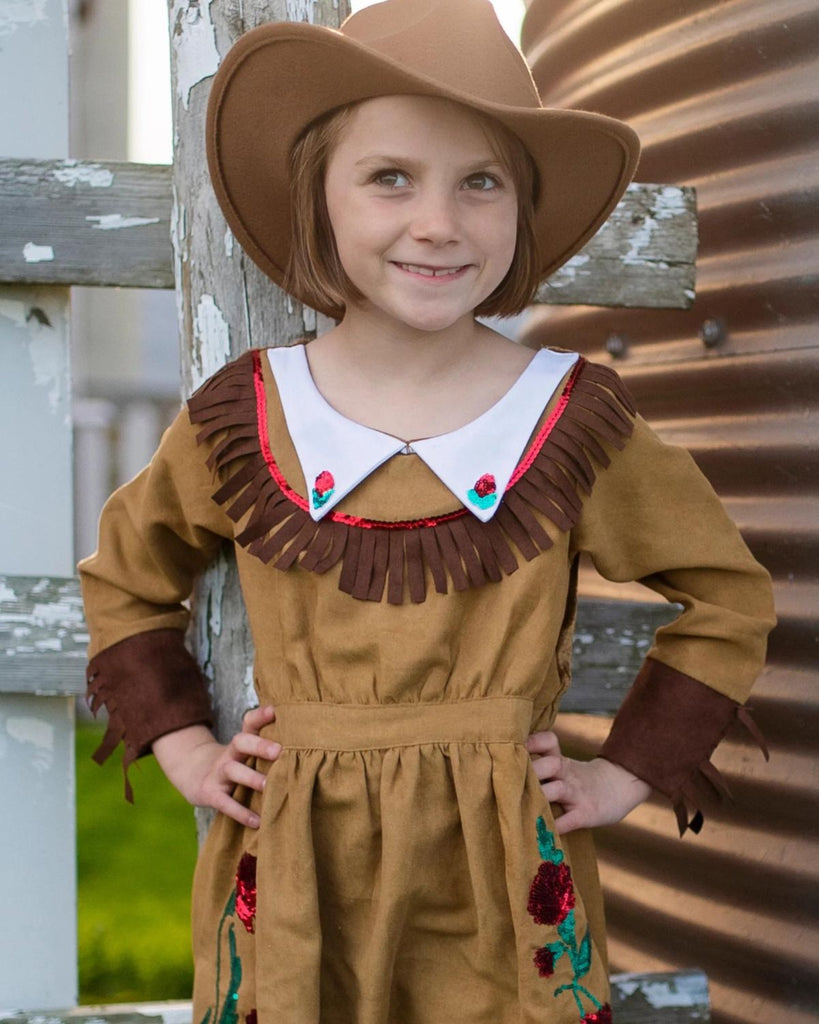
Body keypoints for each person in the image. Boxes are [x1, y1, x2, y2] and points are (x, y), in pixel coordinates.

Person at [79, 1, 776, 1021]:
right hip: (300, 852)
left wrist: (623, 775)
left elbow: (727, 597)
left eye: (480, 182)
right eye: (390, 177)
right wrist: (185, 745)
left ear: (521, 213)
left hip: (503, 858)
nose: (439, 222)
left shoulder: (571, 417)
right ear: (322, 198)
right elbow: (127, 581)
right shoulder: (248, 414)